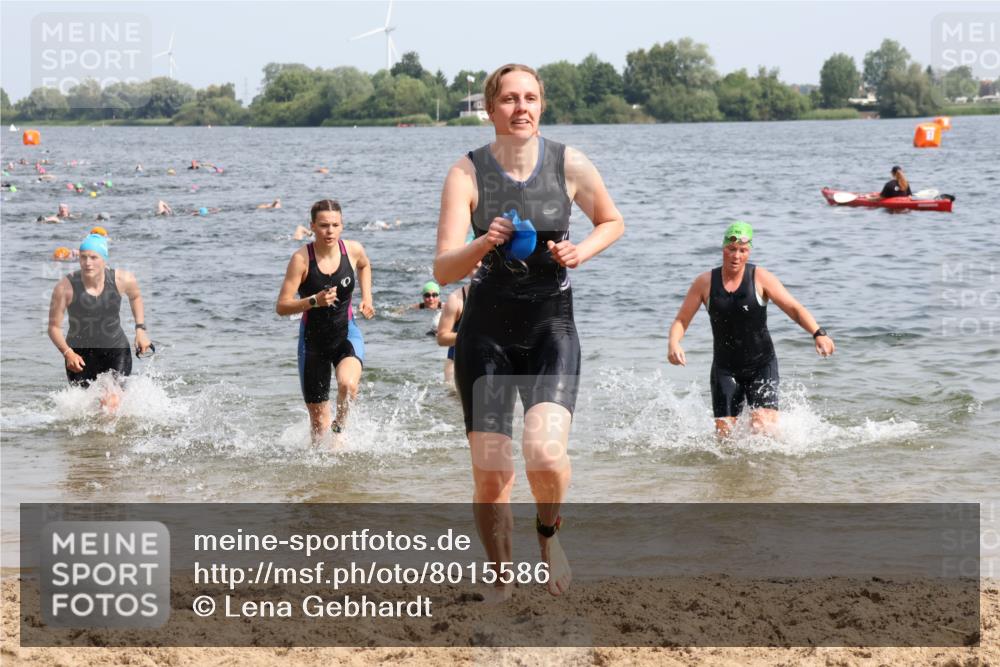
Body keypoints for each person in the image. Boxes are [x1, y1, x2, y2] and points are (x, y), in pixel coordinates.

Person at [434, 63, 624, 599]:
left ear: (541, 106)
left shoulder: (570, 163)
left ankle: (548, 534)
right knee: (493, 476)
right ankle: (500, 576)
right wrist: (482, 243)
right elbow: (445, 268)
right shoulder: (466, 174)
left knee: (544, 456)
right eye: (510, 99)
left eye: (531, 98)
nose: (521, 108)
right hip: (486, 335)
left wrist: (580, 249)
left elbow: (612, 220)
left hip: (550, 330)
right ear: (491, 109)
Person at [667, 222, 835, 438]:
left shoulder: (760, 278)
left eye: (742, 250)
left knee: (762, 427)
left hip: (761, 365)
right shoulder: (705, 282)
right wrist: (674, 343)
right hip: (725, 368)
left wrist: (818, 333)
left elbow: (794, 308)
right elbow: (681, 320)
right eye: (731, 249)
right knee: (725, 438)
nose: (736, 256)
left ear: (749, 251)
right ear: (723, 249)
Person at [275, 199, 375, 447]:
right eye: (323, 225)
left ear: (342, 226)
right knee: (319, 430)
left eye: (334, 225)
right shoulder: (301, 260)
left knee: (348, 384)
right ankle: (320, 479)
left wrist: (367, 298)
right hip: (313, 344)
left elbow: (364, 266)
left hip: (346, 333)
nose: (329, 231)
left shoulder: (352, 250)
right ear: (312, 226)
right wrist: (313, 301)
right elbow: (282, 306)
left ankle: (340, 428)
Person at [47, 233, 152, 412]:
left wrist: (140, 330)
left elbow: (135, 297)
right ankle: (94, 440)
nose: (88, 262)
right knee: (87, 410)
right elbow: (53, 328)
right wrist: (67, 353)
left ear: (104, 259)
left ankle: (111, 439)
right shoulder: (65, 287)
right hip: (79, 356)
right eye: (83, 257)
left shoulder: (122, 279)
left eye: (94, 257)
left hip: (115, 350)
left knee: (111, 401)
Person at [436, 272, 474, 389]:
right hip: (457, 362)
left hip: (492, 362)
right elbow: (441, 338)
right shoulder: (456, 299)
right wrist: (473, 336)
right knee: (459, 399)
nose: (475, 272)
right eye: (472, 267)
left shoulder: (504, 296)